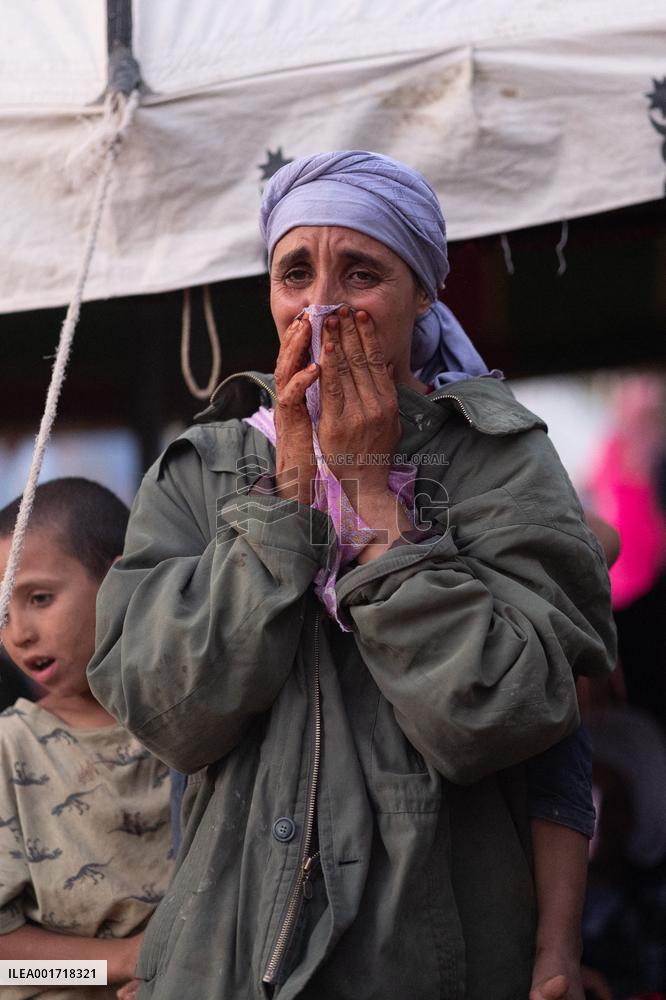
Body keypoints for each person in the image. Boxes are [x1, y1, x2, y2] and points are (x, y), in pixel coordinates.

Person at [88, 151, 616, 1000]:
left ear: (424, 294)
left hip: (430, 963)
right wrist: (290, 497)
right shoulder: (204, 466)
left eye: (362, 273)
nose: (322, 303)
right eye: (295, 273)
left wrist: (370, 496)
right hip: (221, 965)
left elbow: (503, 714)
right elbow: (167, 714)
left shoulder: (499, 462)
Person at [0, 479, 172, 1000]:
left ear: (120, 581)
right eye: (2, 612)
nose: (19, 633)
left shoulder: (192, 727)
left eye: (40, 598)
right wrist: (121, 963)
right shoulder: (11, 749)